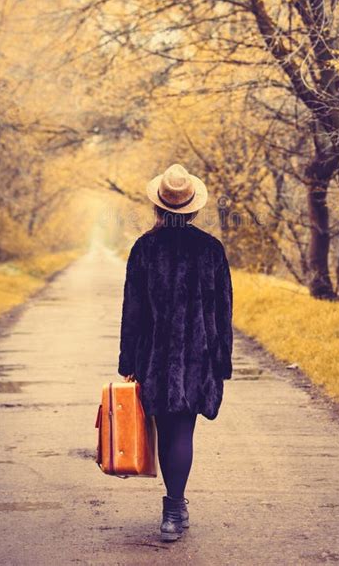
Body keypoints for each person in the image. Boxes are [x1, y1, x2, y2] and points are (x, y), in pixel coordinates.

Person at [117, 163, 234, 542]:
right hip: (199, 357)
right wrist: (222, 362)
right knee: (183, 430)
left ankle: (173, 513)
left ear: (159, 207)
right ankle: (174, 508)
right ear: (193, 208)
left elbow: (132, 309)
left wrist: (128, 362)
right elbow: (223, 310)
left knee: (167, 428)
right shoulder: (211, 249)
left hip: (155, 358)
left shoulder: (144, 248)